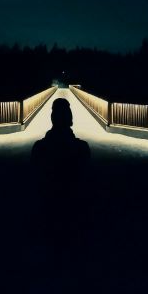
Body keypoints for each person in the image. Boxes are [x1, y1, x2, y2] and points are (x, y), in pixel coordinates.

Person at [31, 98, 91, 243]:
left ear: (52, 118)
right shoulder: (82, 148)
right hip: (74, 214)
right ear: (70, 119)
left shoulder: (39, 148)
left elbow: (35, 181)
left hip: (47, 211)